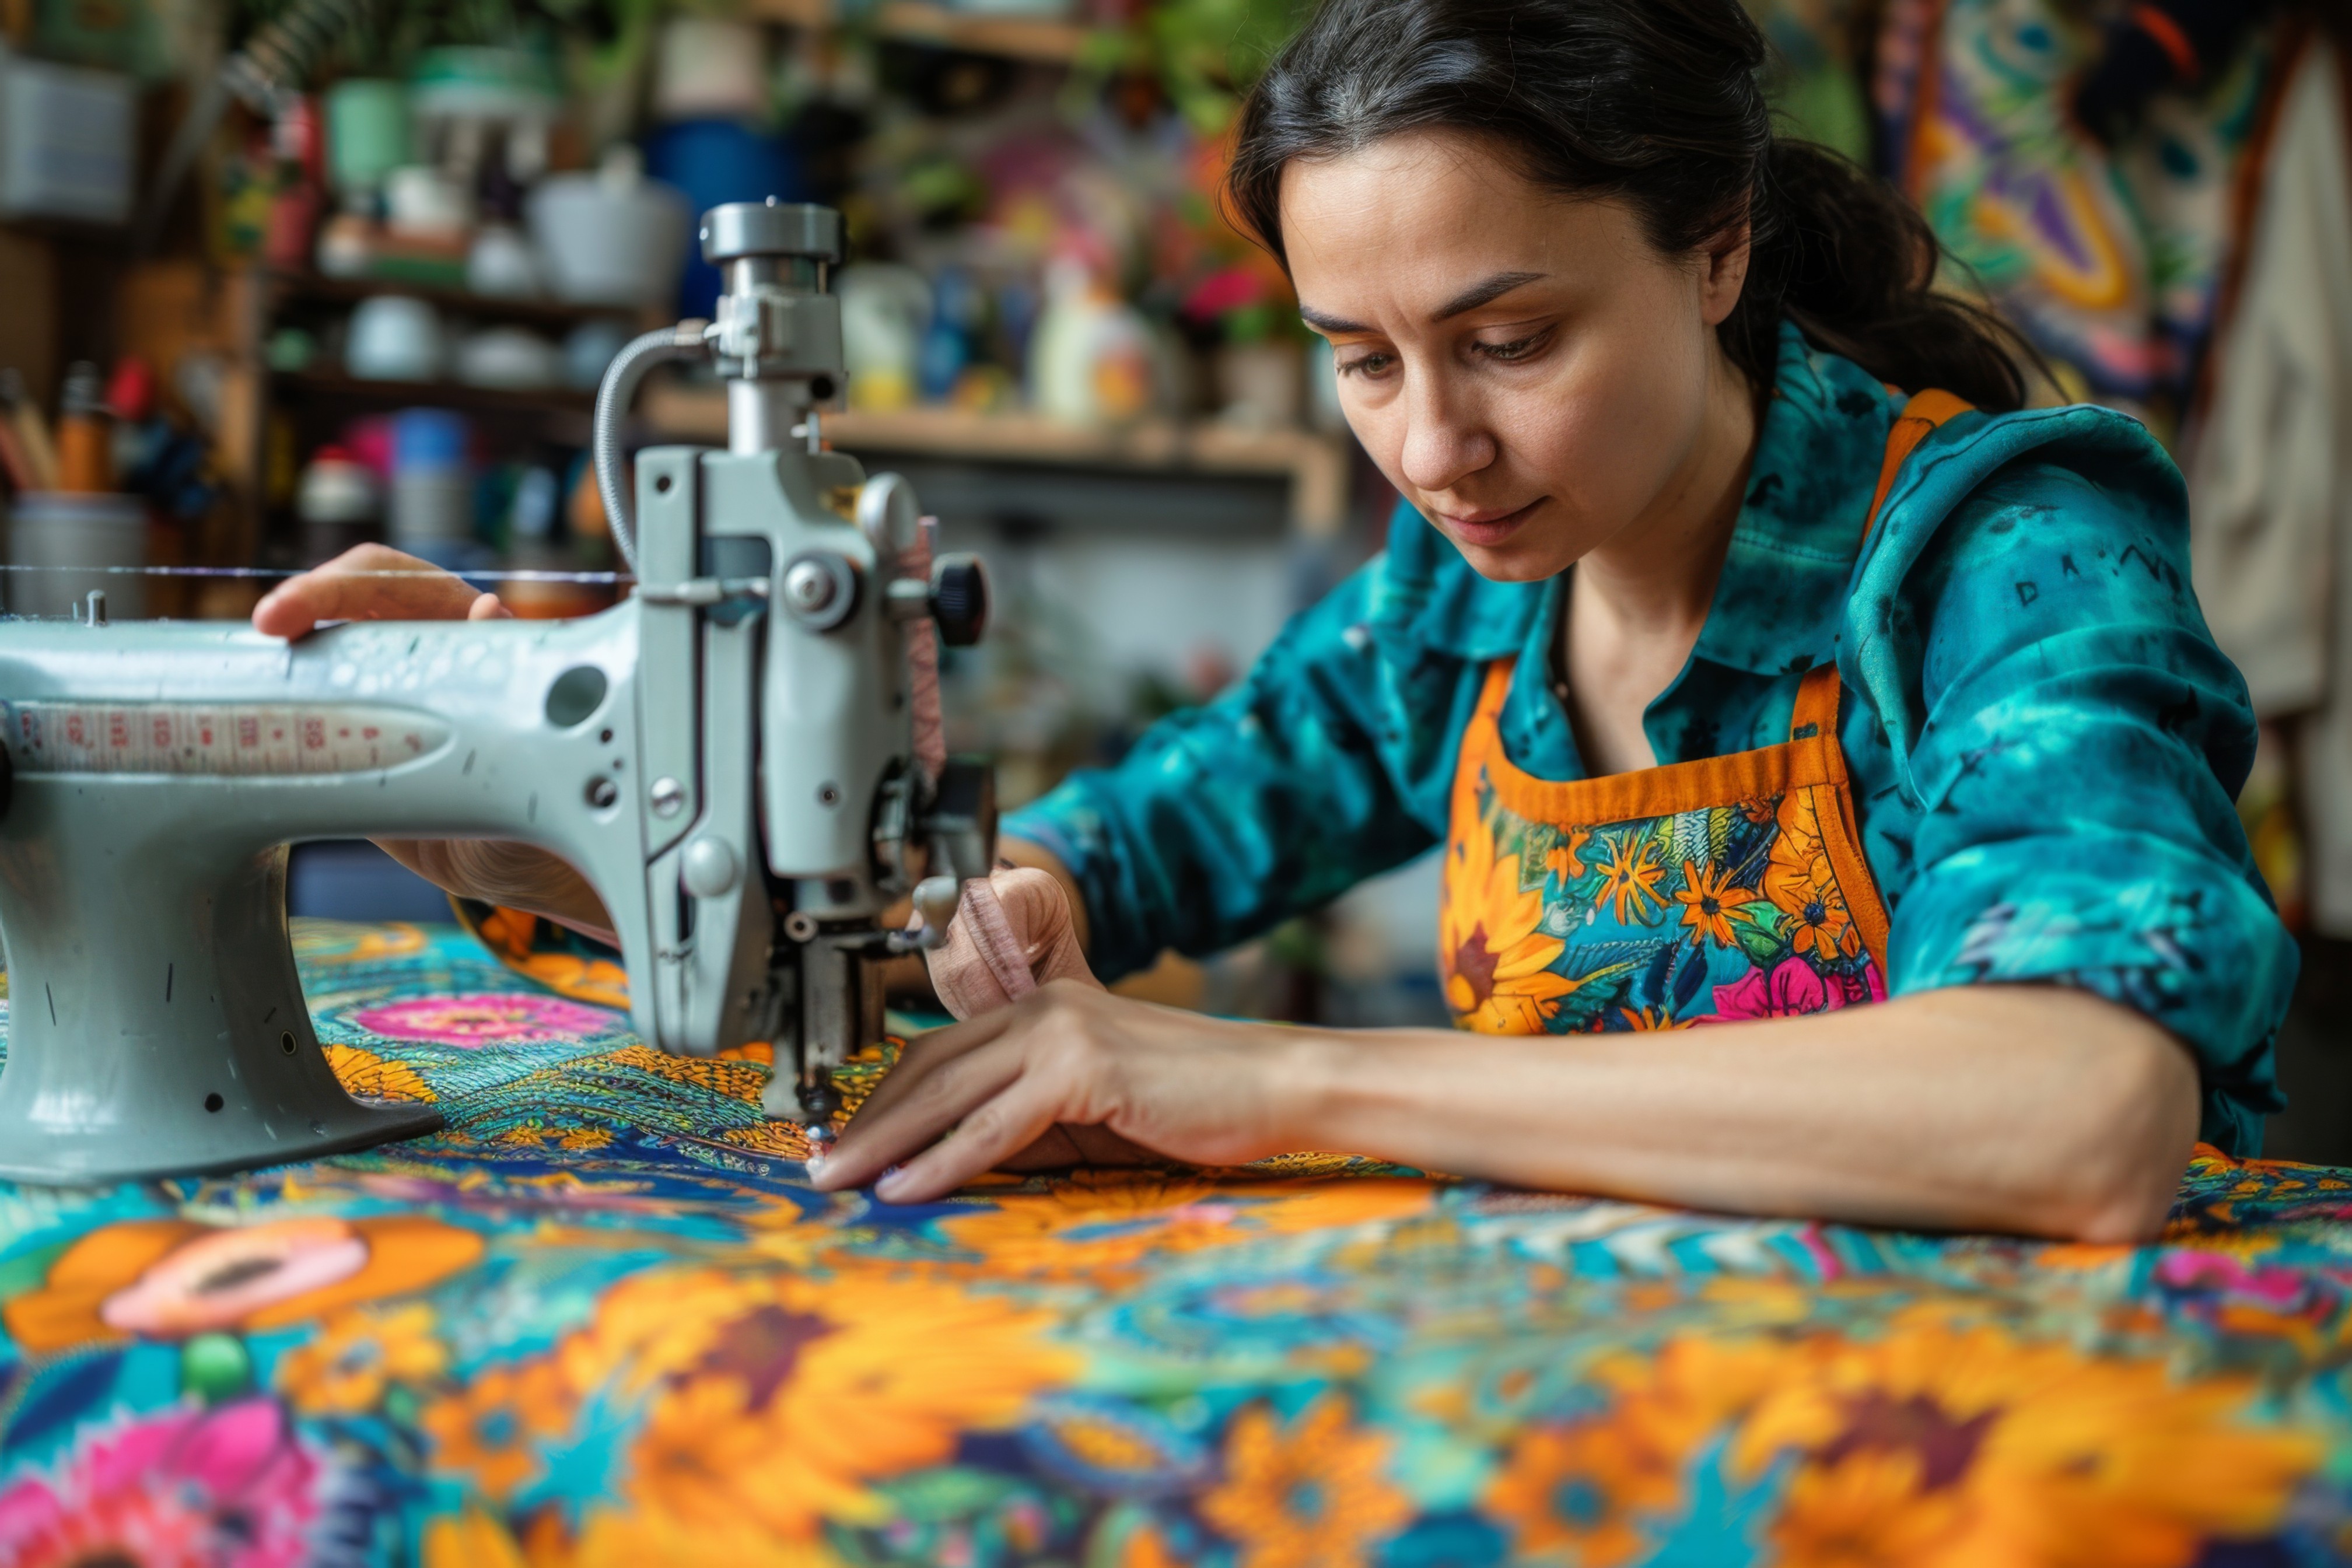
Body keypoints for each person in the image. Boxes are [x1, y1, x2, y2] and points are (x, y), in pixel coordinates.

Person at [256, 0, 2294, 1244]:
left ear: (1716, 250)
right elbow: (1096, 871)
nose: (1436, 446)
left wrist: (1292, 1081)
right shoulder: (1458, 608)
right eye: (1361, 358)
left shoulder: (2001, 543)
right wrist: (511, 821)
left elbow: (2077, 1109)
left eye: (1508, 341)